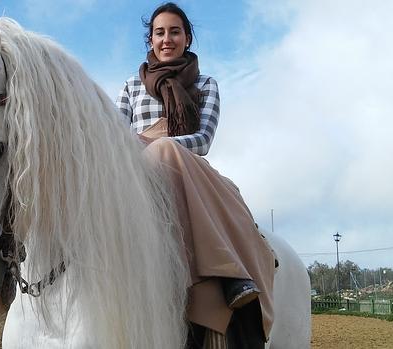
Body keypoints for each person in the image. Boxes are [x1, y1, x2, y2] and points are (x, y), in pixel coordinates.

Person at [115, 3, 276, 348]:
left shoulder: (206, 84)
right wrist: (145, 146)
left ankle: (230, 278)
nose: (167, 39)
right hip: (136, 177)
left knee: (165, 150)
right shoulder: (130, 85)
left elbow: (202, 141)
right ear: (151, 39)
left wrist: (157, 143)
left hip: (189, 169)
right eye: (160, 32)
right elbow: (113, 136)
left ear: (187, 39)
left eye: (175, 32)